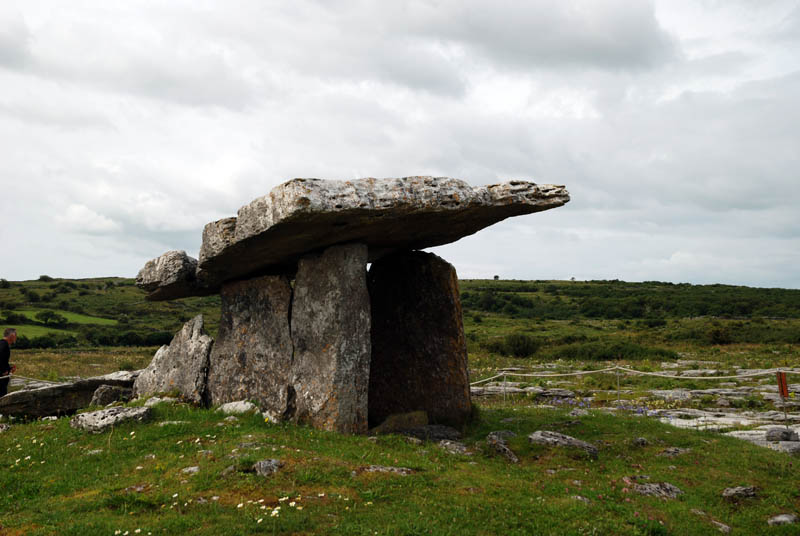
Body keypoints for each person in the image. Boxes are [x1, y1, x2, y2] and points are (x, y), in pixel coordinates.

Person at [0, 327, 17, 397]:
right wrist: (3, 371)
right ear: (12, 336)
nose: (16, 337)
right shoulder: (4, 345)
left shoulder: (1, 343)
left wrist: (9, 369)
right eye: (16, 335)